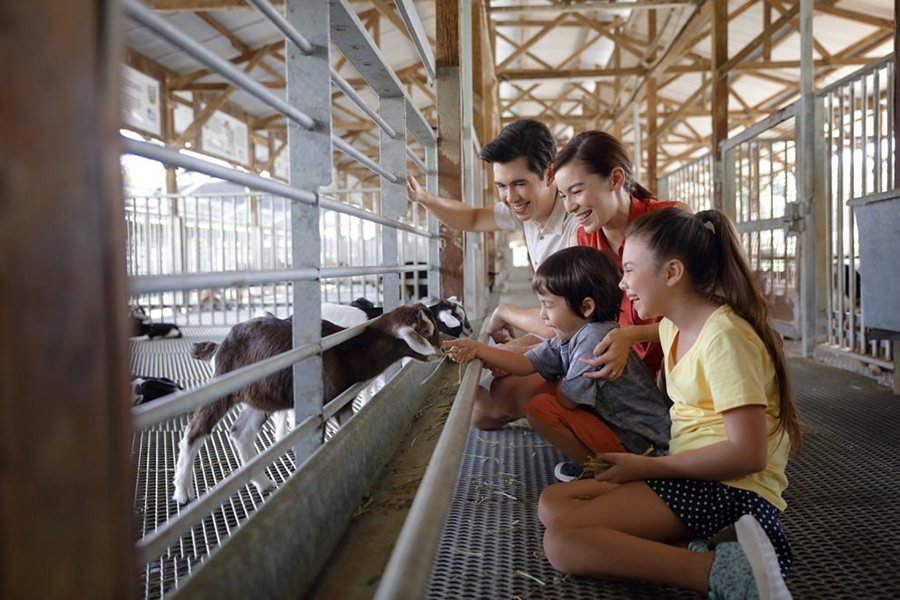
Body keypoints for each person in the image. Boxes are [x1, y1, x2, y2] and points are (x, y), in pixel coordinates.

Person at [537, 208, 802, 598]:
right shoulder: (677, 325)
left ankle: (723, 571)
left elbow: (749, 455)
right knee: (553, 502)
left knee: (562, 540)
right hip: (693, 475)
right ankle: (705, 546)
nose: (622, 283)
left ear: (673, 272)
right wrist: (626, 337)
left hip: (731, 488)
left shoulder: (726, 339)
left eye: (629, 269)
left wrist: (648, 466)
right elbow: (654, 329)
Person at [444, 246, 671, 481]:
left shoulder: (594, 338)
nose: (542, 315)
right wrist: (480, 350)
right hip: (626, 432)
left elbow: (568, 401)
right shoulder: (572, 334)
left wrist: (559, 378)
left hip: (645, 448)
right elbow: (524, 363)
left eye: (549, 305)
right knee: (544, 392)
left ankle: (604, 471)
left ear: (586, 307)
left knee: (542, 408)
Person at [408, 119, 580, 429]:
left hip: (581, 340)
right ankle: (547, 405)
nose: (510, 196)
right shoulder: (526, 211)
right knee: (479, 409)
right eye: (501, 185)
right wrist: (425, 199)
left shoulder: (576, 225)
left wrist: (504, 312)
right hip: (559, 332)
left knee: (497, 393)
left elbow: (572, 325)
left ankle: (573, 415)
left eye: (519, 183)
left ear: (550, 174)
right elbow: (473, 218)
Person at [553, 130, 691, 382]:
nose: (569, 206)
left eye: (576, 191)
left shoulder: (670, 220)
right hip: (622, 367)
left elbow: (703, 317)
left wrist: (632, 335)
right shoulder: (582, 241)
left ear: (616, 179)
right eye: (563, 196)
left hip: (683, 362)